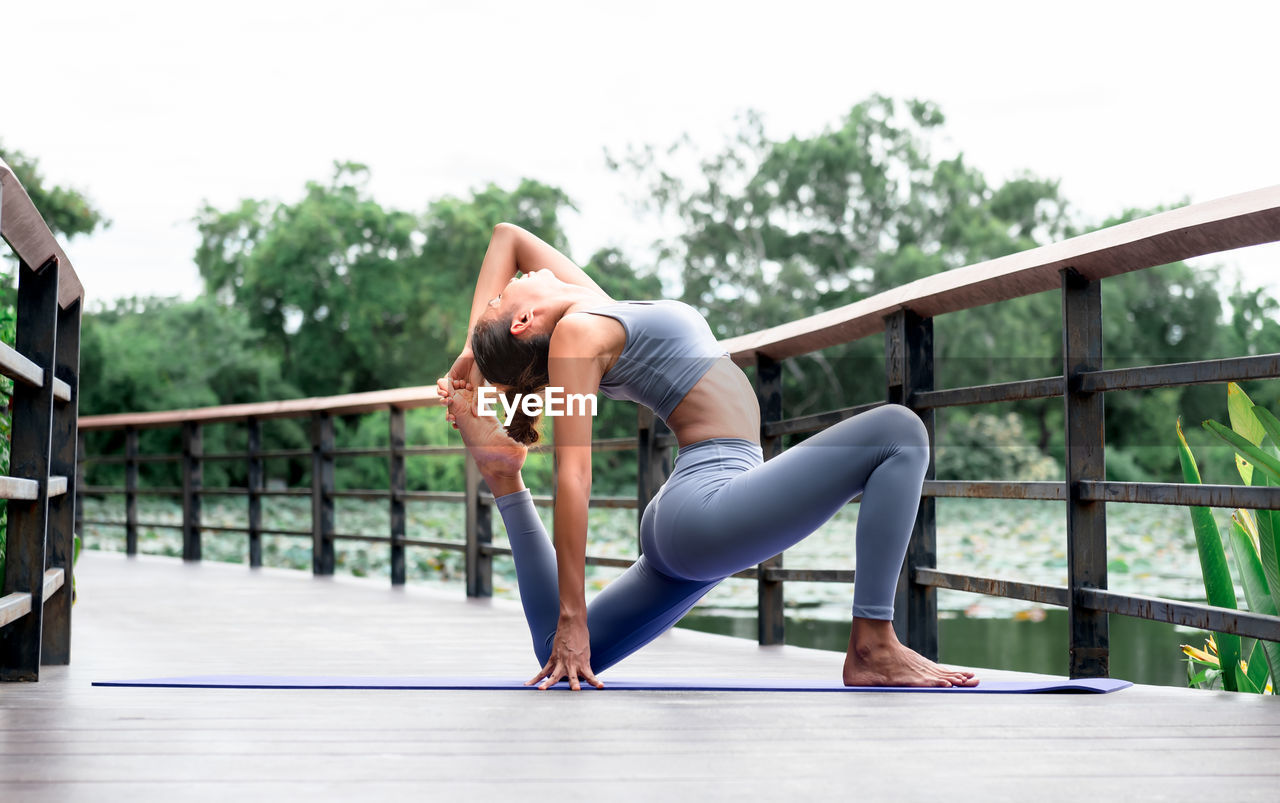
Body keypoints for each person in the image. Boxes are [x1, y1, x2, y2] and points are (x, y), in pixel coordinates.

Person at [436, 222, 979, 691]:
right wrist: (573, 617)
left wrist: (471, 354)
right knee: (899, 432)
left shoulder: (592, 311)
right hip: (705, 506)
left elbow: (509, 237)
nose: (504, 286)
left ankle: (504, 480)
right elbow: (575, 476)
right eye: (496, 301)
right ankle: (872, 645)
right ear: (522, 323)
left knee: (561, 654)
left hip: (702, 513)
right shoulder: (576, 334)